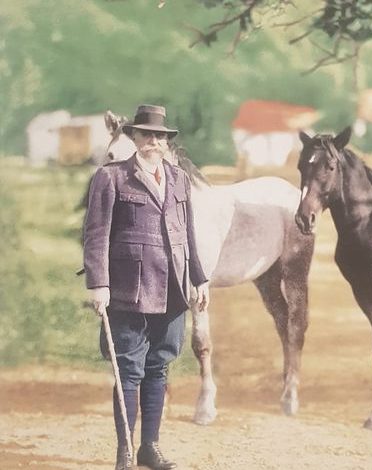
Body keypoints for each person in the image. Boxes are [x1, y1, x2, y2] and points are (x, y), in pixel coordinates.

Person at [82, 104, 209, 470]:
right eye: (146, 135)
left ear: (167, 142)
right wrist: (99, 283)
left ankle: (149, 448)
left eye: (160, 136)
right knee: (128, 370)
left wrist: (198, 278)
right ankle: (125, 449)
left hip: (172, 289)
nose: (154, 142)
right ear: (134, 138)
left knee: (159, 367)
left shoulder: (179, 179)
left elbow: (187, 235)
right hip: (128, 290)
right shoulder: (111, 178)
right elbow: (96, 234)